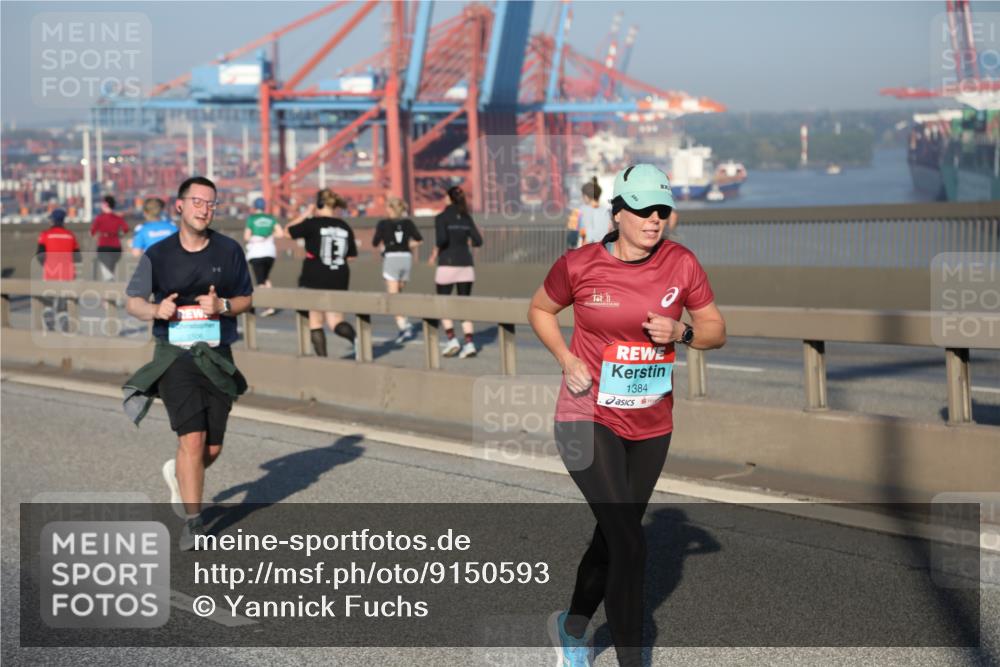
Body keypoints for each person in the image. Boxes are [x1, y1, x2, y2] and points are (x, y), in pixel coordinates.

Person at [528, 164, 726, 667]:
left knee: (614, 537)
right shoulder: (579, 264)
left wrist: (681, 332)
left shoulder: (682, 264)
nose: (654, 220)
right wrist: (567, 359)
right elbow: (540, 310)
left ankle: (572, 628)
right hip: (585, 415)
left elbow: (715, 331)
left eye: (662, 210)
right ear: (617, 213)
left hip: (651, 424)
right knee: (632, 546)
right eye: (642, 210)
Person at [122, 176, 253, 551]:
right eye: (197, 201)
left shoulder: (228, 251)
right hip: (175, 356)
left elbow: (246, 298)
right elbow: (133, 300)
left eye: (211, 204)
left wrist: (223, 306)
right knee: (191, 440)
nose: (204, 209)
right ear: (179, 206)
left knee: (211, 449)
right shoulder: (158, 254)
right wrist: (155, 309)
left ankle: (179, 476)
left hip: (217, 355)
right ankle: (193, 523)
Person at [286, 188, 358, 357]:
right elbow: (351, 256)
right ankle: (357, 340)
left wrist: (307, 213)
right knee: (336, 321)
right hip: (339, 276)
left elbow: (287, 231)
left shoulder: (313, 223)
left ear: (318, 204)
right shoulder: (344, 226)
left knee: (316, 322)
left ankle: (323, 361)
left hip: (315, 275)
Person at [428, 185, 482, 358]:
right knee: (464, 305)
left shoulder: (441, 217)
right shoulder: (466, 217)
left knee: (443, 304)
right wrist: (464, 242)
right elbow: (478, 241)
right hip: (466, 265)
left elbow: (442, 239)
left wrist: (438, 250)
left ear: (449, 198)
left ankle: (451, 340)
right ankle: (469, 343)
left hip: (447, 264)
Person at [371, 197, 423, 344]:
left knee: (393, 297)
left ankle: (404, 327)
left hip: (392, 259)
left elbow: (375, 242)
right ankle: (404, 321)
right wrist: (406, 245)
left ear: (391, 209)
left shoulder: (383, 224)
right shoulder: (408, 223)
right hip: (406, 258)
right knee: (399, 293)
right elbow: (419, 240)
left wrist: (387, 245)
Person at [36, 208, 81, 331]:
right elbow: (78, 257)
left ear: (52, 221)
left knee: (48, 302)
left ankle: (50, 322)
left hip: (50, 273)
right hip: (67, 274)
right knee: (63, 303)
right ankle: (64, 323)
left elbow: (40, 255)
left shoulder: (45, 235)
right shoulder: (70, 235)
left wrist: (46, 265)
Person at [243, 197, 284, 318]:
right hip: (270, 252)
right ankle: (270, 304)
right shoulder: (270, 218)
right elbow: (280, 233)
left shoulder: (252, 219)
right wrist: (269, 234)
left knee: (260, 280)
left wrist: (257, 236)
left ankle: (267, 305)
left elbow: (246, 236)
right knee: (266, 278)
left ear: (254, 207)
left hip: (257, 252)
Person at [90, 195, 129, 281]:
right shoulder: (118, 218)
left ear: (106, 205)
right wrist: (119, 235)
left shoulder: (99, 218)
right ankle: (110, 282)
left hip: (103, 245)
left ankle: (109, 283)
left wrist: (96, 235)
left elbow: (92, 232)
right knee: (110, 267)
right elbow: (126, 229)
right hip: (116, 246)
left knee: (106, 269)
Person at [576, 177, 611, 245]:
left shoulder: (583, 210)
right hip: (602, 247)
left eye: (583, 196)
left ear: (586, 196)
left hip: (588, 246)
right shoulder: (606, 211)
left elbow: (581, 230)